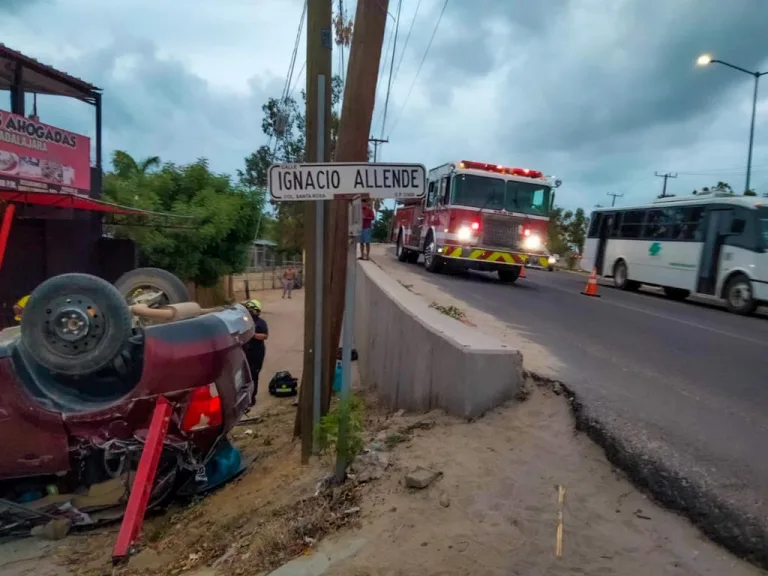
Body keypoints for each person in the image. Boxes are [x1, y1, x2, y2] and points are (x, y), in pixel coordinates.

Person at [243, 299, 268, 407]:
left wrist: (252, 335)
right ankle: (243, 398)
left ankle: (252, 398)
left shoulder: (261, 323)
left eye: (251, 310)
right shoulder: (244, 321)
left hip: (256, 352)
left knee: (253, 375)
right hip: (244, 352)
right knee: (243, 376)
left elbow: (265, 336)